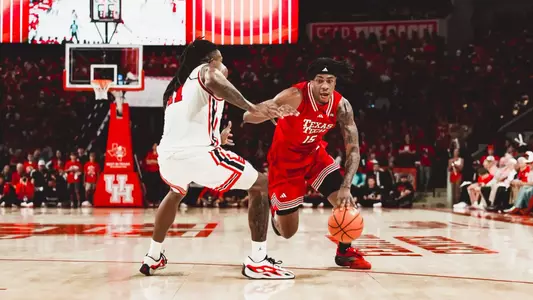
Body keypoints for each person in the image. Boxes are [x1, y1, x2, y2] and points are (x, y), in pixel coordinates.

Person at [140, 39, 297, 279]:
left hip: (169, 159)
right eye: (220, 58)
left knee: (175, 192)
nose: (223, 64)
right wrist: (251, 106)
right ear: (210, 60)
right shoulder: (206, 71)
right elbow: (214, 77)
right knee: (262, 185)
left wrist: (217, 137)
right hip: (198, 155)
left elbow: (185, 127)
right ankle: (258, 261)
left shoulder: (175, 91)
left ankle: (153, 256)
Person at [243, 57, 371, 269]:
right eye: (319, 80)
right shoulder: (293, 96)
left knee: (347, 204)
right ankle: (277, 214)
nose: (325, 85)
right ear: (310, 82)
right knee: (288, 233)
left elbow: (354, 149)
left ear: (335, 83)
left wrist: (346, 187)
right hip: (285, 163)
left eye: (330, 80)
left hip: (314, 156)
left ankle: (344, 252)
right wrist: (267, 112)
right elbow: (249, 115)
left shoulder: (342, 106)